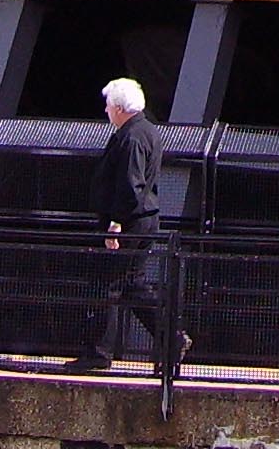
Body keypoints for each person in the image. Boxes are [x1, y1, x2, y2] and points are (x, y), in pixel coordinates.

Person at [72, 76, 177, 372]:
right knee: (133, 284)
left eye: (108, 105)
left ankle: (98, 353)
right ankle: (171, 336)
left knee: (108, 285)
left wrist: (115, 222)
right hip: (144, 220)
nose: (106, 111)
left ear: (119, 107)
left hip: (129, 222)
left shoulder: (130, 137)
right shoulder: (147, 131)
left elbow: (130, 185)